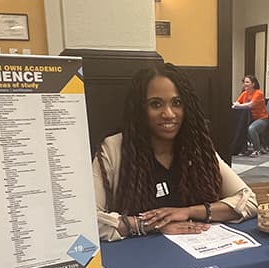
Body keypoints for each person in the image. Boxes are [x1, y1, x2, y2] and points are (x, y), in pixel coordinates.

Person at [93, 63, 258, 241]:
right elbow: (84, 219)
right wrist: (149, 225)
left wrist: (188, 212)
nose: (169, 114)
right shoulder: (114, 149)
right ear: (140, 109)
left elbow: (248, 201)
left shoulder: (198, 147)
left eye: (177, 103)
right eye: (156, 104)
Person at [231, 75, 269, 156]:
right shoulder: (244, 93)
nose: (245, 84)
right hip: (249, 118)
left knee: (251, 129)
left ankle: (257, 150)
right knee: (240, 128)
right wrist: (237, 105)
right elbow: (237, 102)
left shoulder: (258, 93)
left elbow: (250, 105)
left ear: (253, 84)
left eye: (247, 82)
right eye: (244, 82)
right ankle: (243, 149)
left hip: (261, 119)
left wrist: (238, 106)